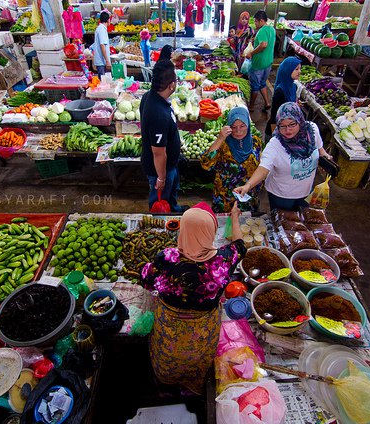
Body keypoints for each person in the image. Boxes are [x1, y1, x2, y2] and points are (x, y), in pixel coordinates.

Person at [141, 202, 245, 394]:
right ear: (211, 232)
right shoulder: (224, 259)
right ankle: (191, 389)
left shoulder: (166, 257)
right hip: (203, 329)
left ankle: (165, 387)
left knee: (168, 358)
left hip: (169, 327)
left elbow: (147, 280)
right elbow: (239, 244)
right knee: (196, 361)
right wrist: (235, 217)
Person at [234, 102, 333, 211]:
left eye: (292, 124)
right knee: (282, 224)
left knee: (302, 221)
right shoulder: (275, 144)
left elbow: (320, 149)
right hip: (281, 195)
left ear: (300, 120)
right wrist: (248, 185)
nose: (288, 130)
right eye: (282, 126)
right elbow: (263, 169)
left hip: (306, 191)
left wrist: (326, 158)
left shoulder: (312, 131)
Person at [140, 45, 184, 212]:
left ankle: (174, 207)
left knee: (171, 193)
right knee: (159, 199)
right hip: (159, 168)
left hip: (170, 164)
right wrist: (161, 178)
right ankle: (160, 224)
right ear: (171, 85)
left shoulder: (150, 96)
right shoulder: (158, 114)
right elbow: (159, 153)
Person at [201, 106, 262, 213]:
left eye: (242, 126)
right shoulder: (223, 144)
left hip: (248, 196)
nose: (238, 131)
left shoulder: (256, 142)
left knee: (247, 226)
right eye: (233, 127)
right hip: (225, 198)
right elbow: (206, 164)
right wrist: (220, 138)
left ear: (248, 124)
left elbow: (261, 167)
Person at [246, 10, 275, 112]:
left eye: (256, 22)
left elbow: (263, 44)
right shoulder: (272, 29)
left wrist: (251, 53)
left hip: (259, 63)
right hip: (268, 62)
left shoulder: (262, 31)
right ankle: (267, 103)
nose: (255, 24)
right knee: (262, 83)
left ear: (261, 21)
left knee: (254, 86)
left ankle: (251, 106)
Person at [266, 57, 302, 139]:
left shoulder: (293, 86)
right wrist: (277, 136)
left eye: (300, 68)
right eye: (296, 69)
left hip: (287, 130)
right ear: (287, 70)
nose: (299, 71)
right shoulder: (280, 91)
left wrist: (295, 105)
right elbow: (275, 116)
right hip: (277, 131)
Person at [93, 11, 111, 77]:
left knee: (104, 82)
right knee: (103, 83)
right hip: (101, 62)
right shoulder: (101, 29)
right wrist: (107, 61)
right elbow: (102, 45)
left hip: (102, 61)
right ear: (108, 20)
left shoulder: (101, 29)